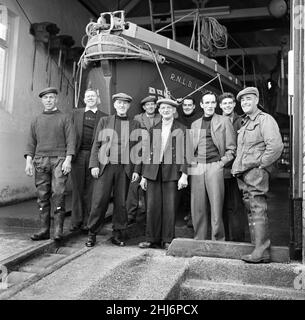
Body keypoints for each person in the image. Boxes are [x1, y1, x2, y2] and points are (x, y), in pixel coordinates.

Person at [232, 87, 283, 263]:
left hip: (255, 171)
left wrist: (262, 164)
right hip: (245, 172)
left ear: (256, 100)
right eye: (242, 101)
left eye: (248, 99)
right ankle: (258, 248)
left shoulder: (265, 120)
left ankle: (261, 251)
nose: (245, 103)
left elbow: (275, 147)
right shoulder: (245, 123)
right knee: (252, 210)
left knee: (258, 209)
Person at [85, 93, 141, 247]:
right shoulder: (104, 121)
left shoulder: (135, 124)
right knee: (99, 201)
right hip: (106, 166)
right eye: (119, 103)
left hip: (124, 168)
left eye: (125, 103)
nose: (122, 105)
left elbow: (138, 149)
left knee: (121, 203)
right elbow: (96, 144)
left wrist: (136, 170)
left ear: (128, 106)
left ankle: (117, 233)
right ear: (114, 105)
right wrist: (94, 164)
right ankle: (92, 234)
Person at [24, 87, 75, 241]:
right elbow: (31, 142)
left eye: (51, 97)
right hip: (40, 160)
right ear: (42, 100)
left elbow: (71, 140)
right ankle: (44, 230)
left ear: (56, 99)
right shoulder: (36, 120)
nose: (48, 100)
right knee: (42, 196)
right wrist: (28, 162)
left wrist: (68, 159)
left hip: (59, 160)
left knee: (58, 193)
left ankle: (58, 230)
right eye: (46, 98)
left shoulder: (64, 118)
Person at [136, 98, 188, 250]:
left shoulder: (182, 128)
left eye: (169, 108)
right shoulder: (154, 129)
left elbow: (187, 153)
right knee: (152, 206)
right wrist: (144, 176)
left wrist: (184, 174)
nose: (166, 110)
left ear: (174, 111)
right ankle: (151, 238)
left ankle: (167, 239)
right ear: (159, 111)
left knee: (170, 207)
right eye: (163, 108)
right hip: (153, 172)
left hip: (172, 172)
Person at [190, 91, 236, 241]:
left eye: (212, 102)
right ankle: (199, 239)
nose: (210, 105)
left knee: (216, 206)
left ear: (216, 105)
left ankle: (218, 240)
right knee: (198, 207)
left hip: (215, 166)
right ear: (202, 105)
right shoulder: (195, 124)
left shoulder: (224, 121)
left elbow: (232, 148)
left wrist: (221, 163)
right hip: (197, 167)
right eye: (207, 103)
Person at [70, 88, 106, 233]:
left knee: (91, 191)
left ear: (98, 99)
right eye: (88, 96)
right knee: (77, 189)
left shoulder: (104, 117)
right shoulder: (75, 114)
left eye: (93, 96)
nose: (90, 98)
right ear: (84, 99)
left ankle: (88, 222)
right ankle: (76, 221)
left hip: (94, 157)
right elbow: (70, 135)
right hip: (78, 156)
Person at [126, 95, 161, 224]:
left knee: (150, 185)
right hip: (139, 152)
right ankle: (131, 214)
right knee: (134, 184)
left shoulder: (160, 117)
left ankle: (148, 214)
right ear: (144, 107)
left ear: (156, 106)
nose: (150, 107)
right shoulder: (137, 118)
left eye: (153, 104)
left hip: (154, 154)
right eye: (148, 105)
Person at [218, 92, 245, 241]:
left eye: (230, 103)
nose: (227, 106)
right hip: (220, 170)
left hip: (237, 170)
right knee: (220, 206)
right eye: (224, 103)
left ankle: (238, 240)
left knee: (235, 206)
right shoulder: (216, 121)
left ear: (234, 104)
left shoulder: (241, 121)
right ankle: (224, 239)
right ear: (220, 106)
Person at [177, 97, 203, 228]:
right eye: (184, 105)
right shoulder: (179, 119)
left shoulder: (200, 118)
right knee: (185, 189)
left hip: (196, 156)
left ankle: (194, 217)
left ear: (194, 107)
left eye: (189, 105)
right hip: (182, 156)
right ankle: (187, 212)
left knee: (195, 188)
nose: (187, 107)